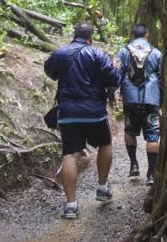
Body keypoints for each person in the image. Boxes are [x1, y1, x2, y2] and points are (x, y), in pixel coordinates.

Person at [44, 21, 119, 219]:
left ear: (74, 35)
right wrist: (115, 68)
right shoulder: (97, 53)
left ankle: (71, 205)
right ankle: (102, 188)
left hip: (68, 112)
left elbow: (50, 72)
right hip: (95, 111)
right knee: (105, 144)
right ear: (90, 38)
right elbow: (114, 79)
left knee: (70, 154)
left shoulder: (61, 53)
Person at [116, 23, 162, 184]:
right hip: (151, 99)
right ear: (147, 35)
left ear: (132, 35)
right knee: (153, 136)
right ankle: (151, 173)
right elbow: (162, 77)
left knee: (130, 131)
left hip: (130, 100)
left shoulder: (123, 52)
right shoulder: (156, 53)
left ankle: (134, 164)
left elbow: (117, 74)